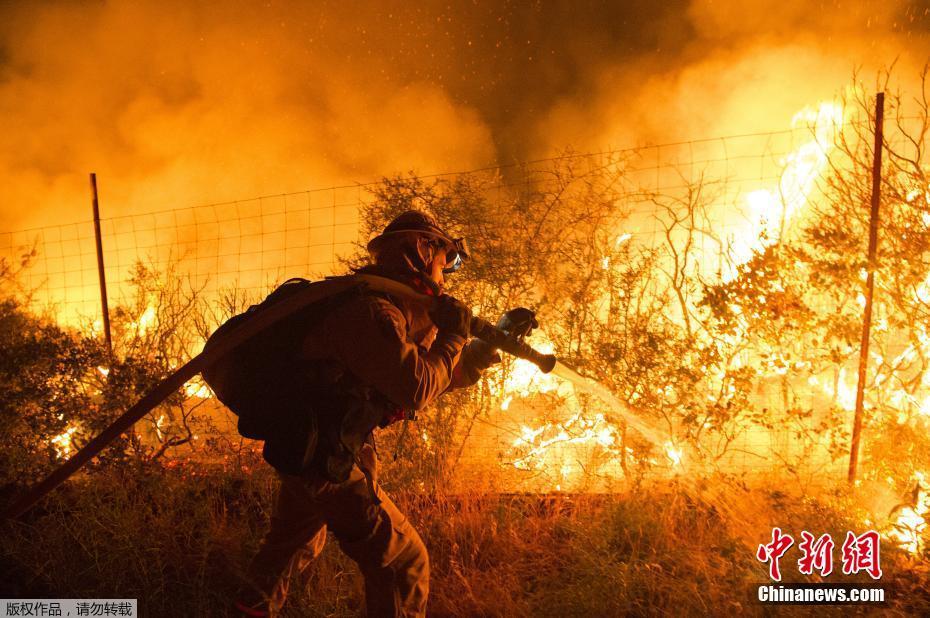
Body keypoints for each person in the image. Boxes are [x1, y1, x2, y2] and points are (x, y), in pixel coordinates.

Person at [233, 211, 530, 617]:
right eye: (448, 261)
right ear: (423, 252)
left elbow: (430, 374)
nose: (447, 275)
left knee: (290, 548)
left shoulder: (388, 310)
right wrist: (456, 334)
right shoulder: (371, 313)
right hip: (324, 458)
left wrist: (476, 354)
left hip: (314, 449)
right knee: (402, 564)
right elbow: (417, 386)